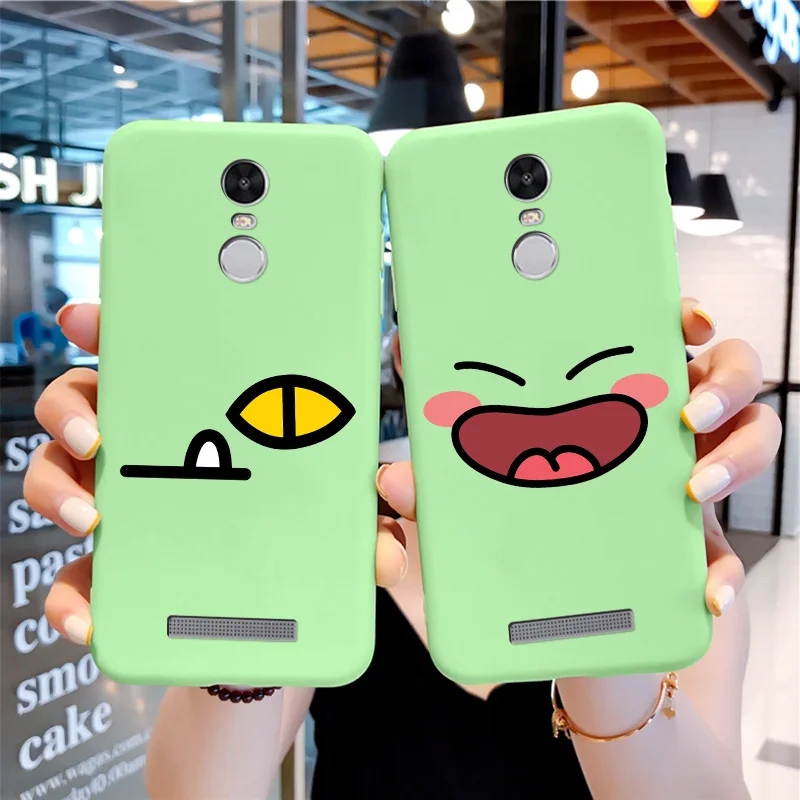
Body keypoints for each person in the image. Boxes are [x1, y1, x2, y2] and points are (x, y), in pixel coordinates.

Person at [26, 300, 780, 800]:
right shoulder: (346, 525)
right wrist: (233, 594)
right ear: (398, 352)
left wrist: (606, 626)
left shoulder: (672, 553)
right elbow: (197, 792)